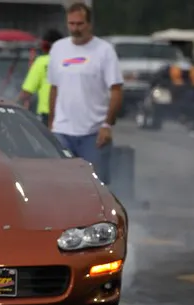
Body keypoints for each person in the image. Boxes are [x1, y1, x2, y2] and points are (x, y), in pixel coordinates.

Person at [46, 2, 123, 184]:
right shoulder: (58, 49)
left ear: (89, 24)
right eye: (71, 24)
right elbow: (54, 88)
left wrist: (107, 124)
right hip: (62, 131)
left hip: (93, 133)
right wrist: (51, 124)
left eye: (80, 24)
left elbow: (116, 90)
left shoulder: (104, 50)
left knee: (95, 185)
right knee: (61, 183)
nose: (75, 29)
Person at [17, 29, 64, 125]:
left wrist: (12, 106)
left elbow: (26, 92)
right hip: (68, 115)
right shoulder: (68, 62)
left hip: (47, 115)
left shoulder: (41, 62)